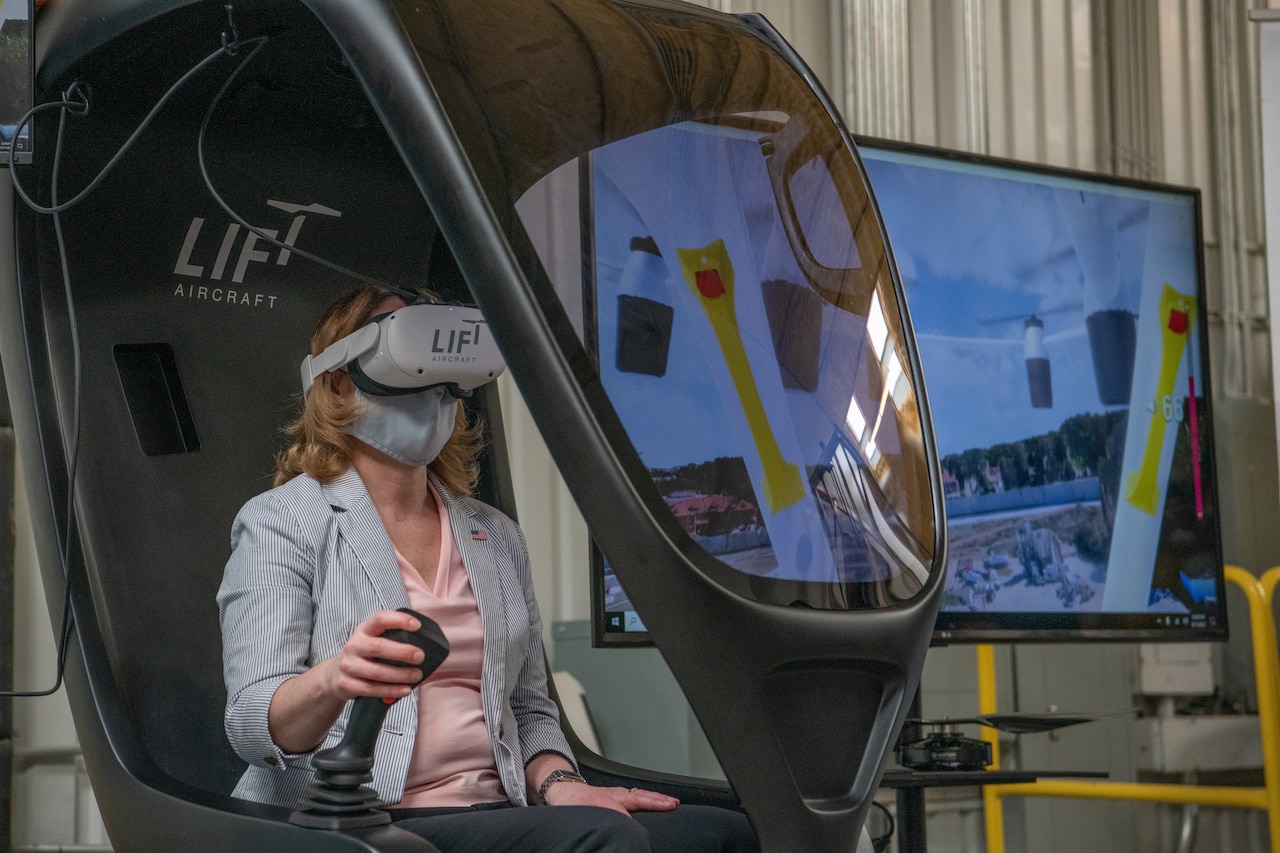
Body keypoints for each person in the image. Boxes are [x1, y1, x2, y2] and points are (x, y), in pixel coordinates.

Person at [218, 285, 759, 853]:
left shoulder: (494, 535)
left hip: (496, 807)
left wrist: (562, 784)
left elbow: (528, 709)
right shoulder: (283, 520)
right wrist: (335, 680)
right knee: (602, 839)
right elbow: (252, 722)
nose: (433, 392)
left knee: (728, 837)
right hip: (367, 819)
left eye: (446, 375)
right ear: (338, 381)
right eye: (413, 366)